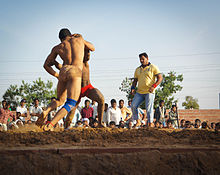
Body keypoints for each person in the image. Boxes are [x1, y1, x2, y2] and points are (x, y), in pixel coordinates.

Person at [37, 29, 95, 131]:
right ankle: (50, 125)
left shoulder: (58, 47)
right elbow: (92, 48)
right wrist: (81, 37)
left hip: (63, 70)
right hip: (75, 71)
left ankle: (47, 110)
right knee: (70, 103)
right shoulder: (79, 39)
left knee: (59, 100)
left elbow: (46, 65)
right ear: (70, 34)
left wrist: (56, 75)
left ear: (60, 39)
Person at [64, 49, 104, 128]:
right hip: (77, 89)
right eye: (86, 52)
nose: (88, 55)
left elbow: (88, 54)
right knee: (72, 110)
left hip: (87, 87)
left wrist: (83, 44)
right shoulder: (73, 63)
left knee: (101, 99)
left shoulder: (85, 63)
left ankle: (100, 123)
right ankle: (66, 127)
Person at [131, 52, 163, 127]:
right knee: (133, 105)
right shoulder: (137, 69)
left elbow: (160, 78)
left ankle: (150, 123)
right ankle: (138, 121)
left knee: (149, 108)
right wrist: (132, 88)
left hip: (149, 91)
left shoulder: (153, 67)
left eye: (143, 59)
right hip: (139, 92)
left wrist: (154, 86)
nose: (141, 60)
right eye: (140, 59)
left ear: (147, 58)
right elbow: (135, 80)